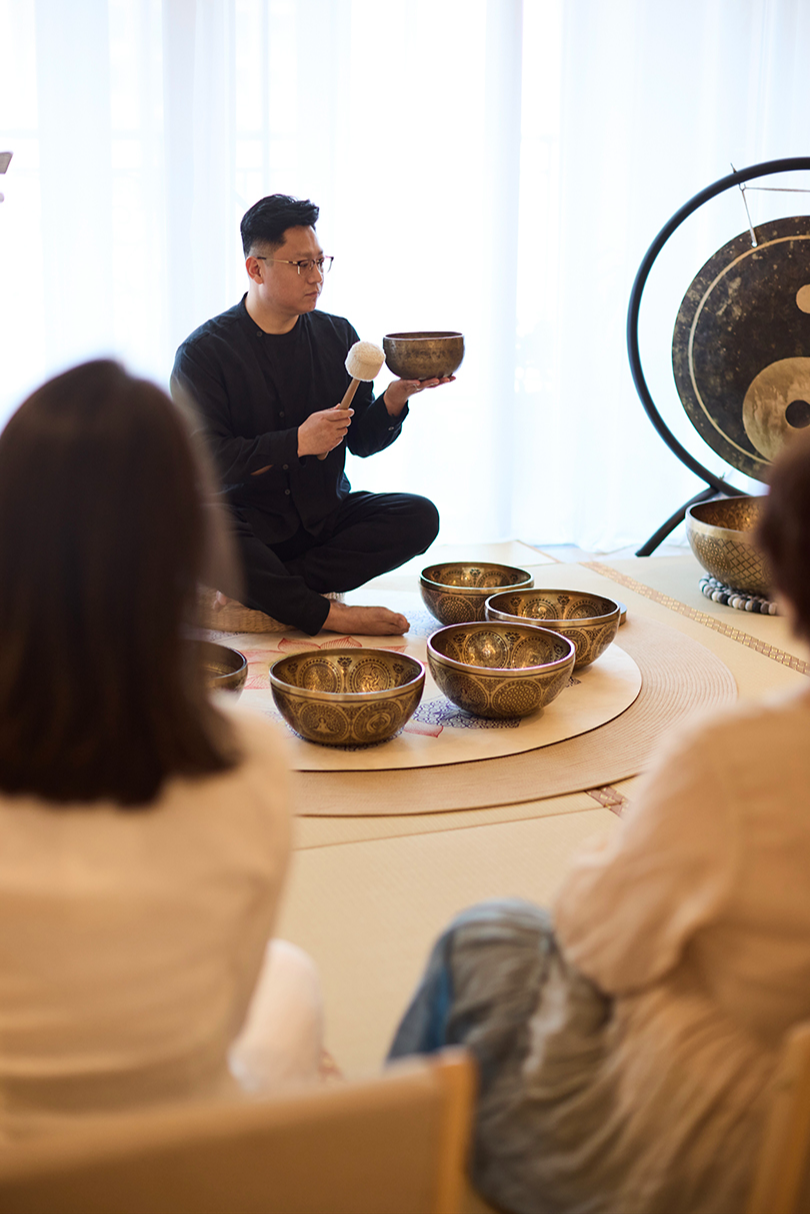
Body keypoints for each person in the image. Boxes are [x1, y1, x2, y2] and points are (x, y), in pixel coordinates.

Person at [389, 440, 810, 1213]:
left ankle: (385, 1175)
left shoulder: (736, 759)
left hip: (706, 1151)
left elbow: (599, 944)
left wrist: (613, 852)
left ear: (780, 570)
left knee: (483, 936)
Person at [0, 361, 322, 1141]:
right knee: (290, 973)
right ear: (186, 538)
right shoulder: (249, 757)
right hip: (176, 1159)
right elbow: (230, 1009)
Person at [171, 193, 450, 638]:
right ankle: (328, 614)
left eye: (321, 262)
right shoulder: (203, 354)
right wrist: (297, 442)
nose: (317, 277)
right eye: (302, 265)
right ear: (256, 268)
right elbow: (208, 464)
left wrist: (396, 397)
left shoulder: (338, 335)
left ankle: (268, 588)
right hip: (249, 526)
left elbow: (361, 441)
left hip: (324, 522)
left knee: (419, 516)